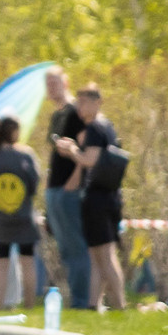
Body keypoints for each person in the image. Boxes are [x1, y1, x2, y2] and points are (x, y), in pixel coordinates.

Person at [58, 83, 129, 311]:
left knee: (105, 255)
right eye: (79, 101)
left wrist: (71, 151)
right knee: (96, 254)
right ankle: (92, 304)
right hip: (106, 196)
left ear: (98, 102)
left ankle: (119, 305)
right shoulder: (105, 127)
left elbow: (90, 160)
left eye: (86, 101)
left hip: (99, 197)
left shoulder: (96, 128)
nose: (81, 106)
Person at [38, 67, 92, 309]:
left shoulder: (75, 113)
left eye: (55, 81)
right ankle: (75, 299)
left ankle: (83, 301)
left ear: (66, 82)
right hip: (55, 189)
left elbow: (85, 151)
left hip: (69, 190)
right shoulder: (56, 116)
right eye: (48, 83)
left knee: (77, 247)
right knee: (66, 250)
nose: (52, 87)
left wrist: (74, 181)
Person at [0, 116, 43, 308]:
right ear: (15, 132)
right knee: (27, 261)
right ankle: (29, 305)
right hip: (24, 217)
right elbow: (34, 184)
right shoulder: (25, 155)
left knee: (1, 263)